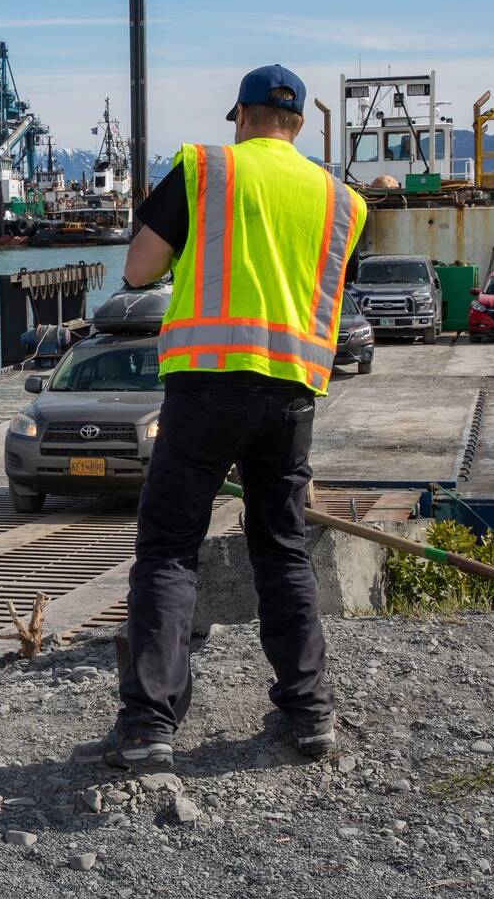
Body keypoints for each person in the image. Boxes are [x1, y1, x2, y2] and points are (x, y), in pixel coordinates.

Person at [74, 64, 367, 770]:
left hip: (207, 386)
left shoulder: (207, 169)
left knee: (171, 545)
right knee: (283, 546)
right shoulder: (341, 201)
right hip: (293, 393)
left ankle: (150, 723)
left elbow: (139, 269)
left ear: (239, 115)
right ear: (298, 126)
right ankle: (310, 712)